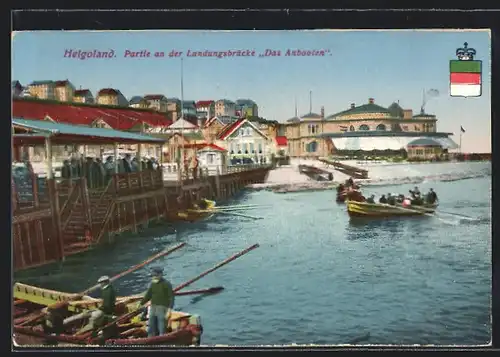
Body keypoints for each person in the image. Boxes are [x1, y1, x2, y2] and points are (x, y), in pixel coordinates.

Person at [138, 267, 175, 338]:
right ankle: (150, 339)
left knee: (161, 327)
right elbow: (148, 295)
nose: (154, 277)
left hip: (163, 308)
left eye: (156, 276)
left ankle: (162, 340)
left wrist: (169, 310)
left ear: (160, 275)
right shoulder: (152, 283)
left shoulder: (167, 284)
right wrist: (141, 303)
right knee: (151, 326)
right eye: (153, 276)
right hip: (153, 307)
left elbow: (171, 298)